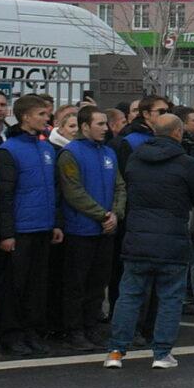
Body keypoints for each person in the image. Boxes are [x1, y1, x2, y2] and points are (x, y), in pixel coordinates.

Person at [105, 113, 194, 372]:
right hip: (172, 239)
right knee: (170, 297)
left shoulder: (135, 159)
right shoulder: (186, 163)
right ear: (178, 133)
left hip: (137, 237)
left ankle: (116, 351)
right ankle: (162, 353)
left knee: (129, 296)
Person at [0, 95, 64, 358]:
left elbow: (54, 189)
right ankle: (12, 335)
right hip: (21, 229)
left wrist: (56, 223)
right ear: (25, 117)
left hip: (43, 225)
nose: (46, 118)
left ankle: (32, 332)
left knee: (37, 286)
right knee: (15, 286)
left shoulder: (46, 148)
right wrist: (6, 233)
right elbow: (5, 195)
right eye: (41, 114)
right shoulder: (8, 150)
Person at [57, 105, 126, 349]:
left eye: (106, 123)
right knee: (76, 283)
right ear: (85, 126)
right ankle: (73, 330)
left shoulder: (108, 153)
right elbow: (73, 191)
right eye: (100, 124)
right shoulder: (70, 153)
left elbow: (120, 186)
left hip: (105, 231)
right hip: (81, 230)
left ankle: (91, 326)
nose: (105, 128)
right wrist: (102, 214)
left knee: (98, 283)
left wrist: (115, 214)